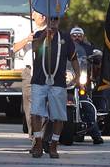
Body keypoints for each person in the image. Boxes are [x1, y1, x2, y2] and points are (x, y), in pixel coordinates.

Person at [29, 16, 80, 159]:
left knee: (59, 115)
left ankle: (54, 144)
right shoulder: (39, 34)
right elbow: (34, 48)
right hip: (39, 80)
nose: (53, 22)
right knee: (36, 113)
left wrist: (78, 75)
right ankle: (38, 142)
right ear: (47, 20)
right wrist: (45, 36)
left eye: (56, 19)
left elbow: (74, 58)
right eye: (51, 19)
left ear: (59, 21)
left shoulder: (65, 38)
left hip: (58, 82)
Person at [15, 12, 46, 139]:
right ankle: (33, 133)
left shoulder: (50, 31)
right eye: (34, 14)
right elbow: (14, 48)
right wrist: (27, 39)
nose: (33, 17)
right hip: (28, 70)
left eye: (37, 14)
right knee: (28, 103)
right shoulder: (27, 29)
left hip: (43, 69)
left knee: (42, 102)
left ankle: (43, 134)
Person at [70, 26, 103, 144]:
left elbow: (98, 57)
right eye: (74, 35)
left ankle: (96, 135)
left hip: (83, 80)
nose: (77, 37)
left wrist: (97, 57)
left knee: (86, 103)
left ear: (83, 37)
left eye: (79, 35)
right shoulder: (66, 47)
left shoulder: (88, 48)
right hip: (68, 80)